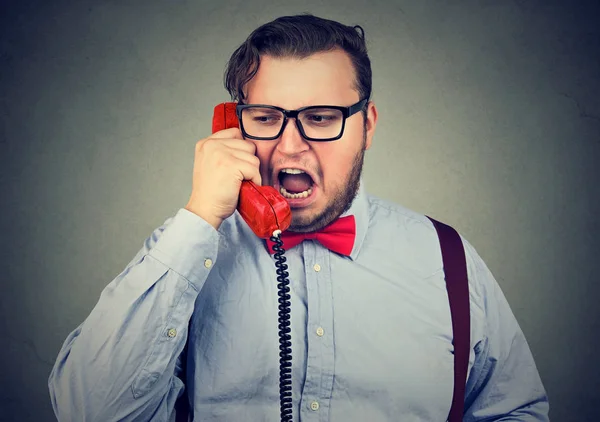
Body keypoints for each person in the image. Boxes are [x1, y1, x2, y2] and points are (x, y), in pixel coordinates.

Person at [48, 13, 549, 422]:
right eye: (266, 118)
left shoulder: (447, 258)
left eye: (322, 117)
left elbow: (515, 411)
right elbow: (87, 411)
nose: (290, 146)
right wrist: (199, 217)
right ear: (233, 125)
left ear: (366, 126)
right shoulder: (184, 254)